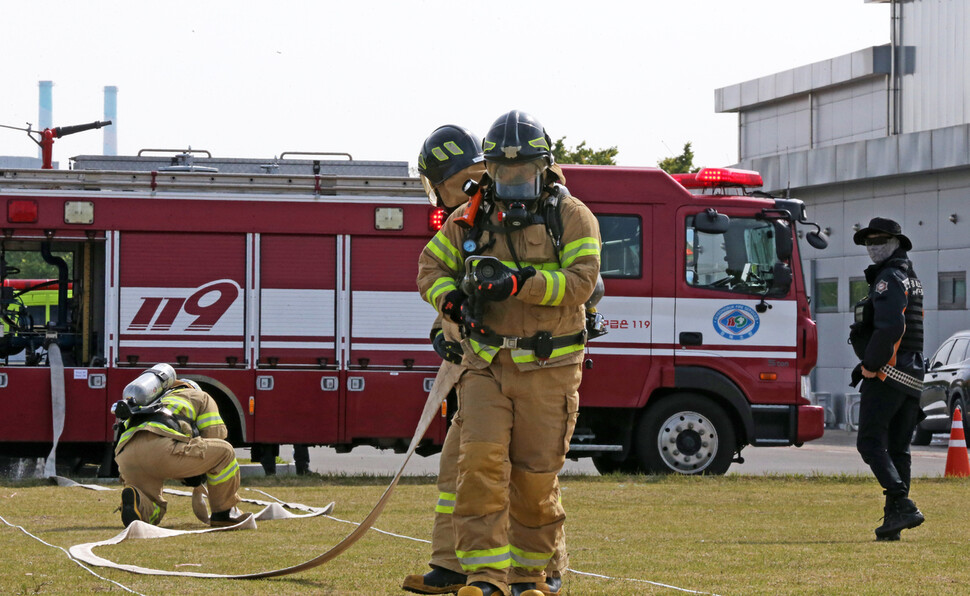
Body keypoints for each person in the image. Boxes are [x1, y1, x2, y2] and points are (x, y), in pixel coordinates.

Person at [417, 111, 600, 596]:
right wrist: (450, 303)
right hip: (487, 366)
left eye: (523, 174)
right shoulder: (469, 217)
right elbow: (431, 268)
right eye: (503, 174)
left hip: (550, 369)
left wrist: (518, 282)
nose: (513, 184)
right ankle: (483, 577)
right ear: (488, 170)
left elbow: (582, 281)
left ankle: (531, 577)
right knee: (478, 469)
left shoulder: (572, 215)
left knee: (534, 481)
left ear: (545, 167)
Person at [849, 217, 926, 541]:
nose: (873, 246)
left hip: (889, 372)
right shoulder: (911, 277)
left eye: (880, 239)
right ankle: (893, 520)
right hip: (912, 374)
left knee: (868, 441)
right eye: (869, 240)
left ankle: (902, 502)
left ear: (896, 242)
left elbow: (892, 326)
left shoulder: (889, 278)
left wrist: (871, 365)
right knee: (898, 449)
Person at [113, 364, 246, 528]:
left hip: (126, 456)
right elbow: (215, 436)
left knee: (152, 503)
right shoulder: (200, 396)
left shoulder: (152, 400)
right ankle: (224, 512)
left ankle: (138, 501)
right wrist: (198, 472)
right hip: (161, 449)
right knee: (225, 452)